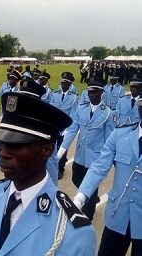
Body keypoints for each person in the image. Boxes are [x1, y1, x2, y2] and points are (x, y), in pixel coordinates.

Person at [0, 90, 96, 256]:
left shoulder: (74, 232)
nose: (2, 152)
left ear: (47, 150)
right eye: (2, 143)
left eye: (16, 145)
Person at [73, 98, 142, 256]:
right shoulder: (120, 134)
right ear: (139, 109)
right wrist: (80, 197)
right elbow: (99, 166)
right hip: (118, 214)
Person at [57, 77, 115, 220]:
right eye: (90, 92)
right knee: (76, 179)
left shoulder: (108, 113)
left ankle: (86, 217)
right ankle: (90, 195)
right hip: (80, 155)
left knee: (91, 183)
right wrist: (62, 149)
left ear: (101, 93)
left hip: (95, 157)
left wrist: (106, 158)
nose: (92, 95)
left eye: (95, 92)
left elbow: (109, 139)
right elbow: (72, 130)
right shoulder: (81, 109)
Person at [50, 71, 78, 180]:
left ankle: (60, 169)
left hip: (65, 127)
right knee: (52, 147)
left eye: (66, 83)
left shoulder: (74, 97)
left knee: (62, 148)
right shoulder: (55, 94)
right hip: (55, 126)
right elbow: (52, 109)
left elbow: (73, 114)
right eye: (62, 83)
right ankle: (51, 167)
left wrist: (68, 129)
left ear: (70, 84)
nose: (63, 85)